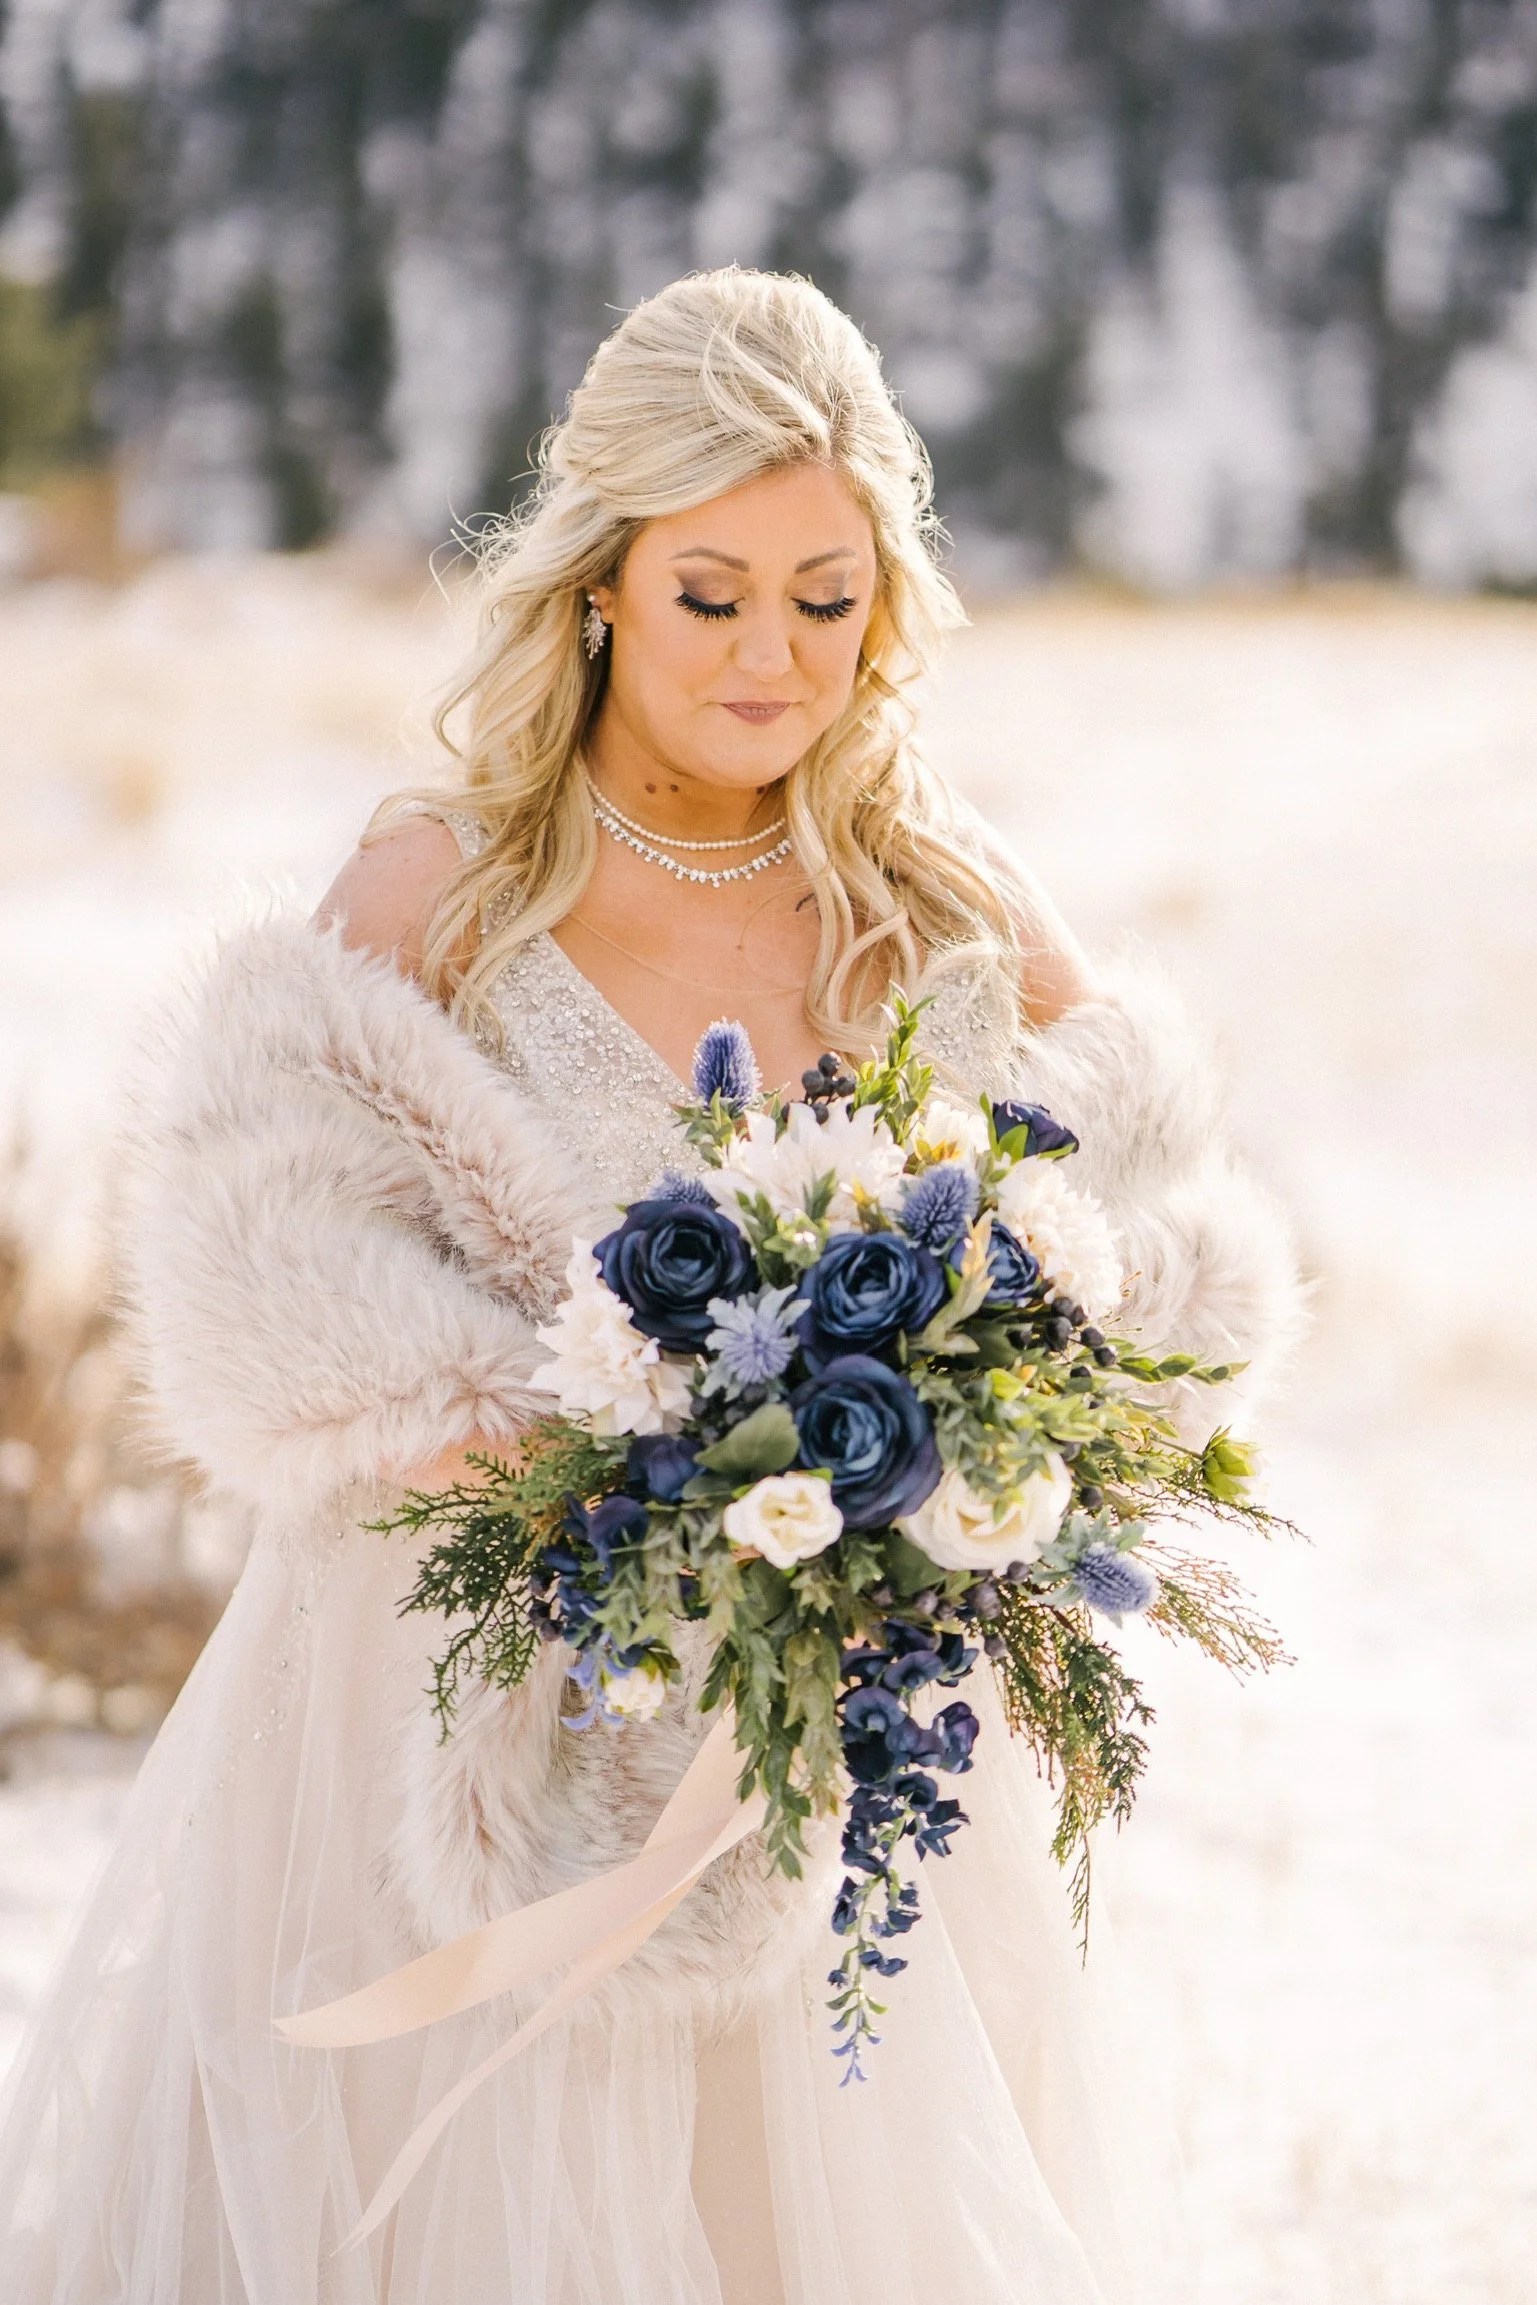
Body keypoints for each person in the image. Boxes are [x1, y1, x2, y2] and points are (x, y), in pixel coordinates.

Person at [0, 269, 1299, 2304]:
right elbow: (260, 1241)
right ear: (601, 578)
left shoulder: (943, 900)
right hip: (463, 1724)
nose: (773, 654)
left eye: (824, 592)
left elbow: (1140, 1238)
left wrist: (974, 1435)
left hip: (851, 1756)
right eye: (711, 594)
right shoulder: (450, 878)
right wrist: (500, 1422)